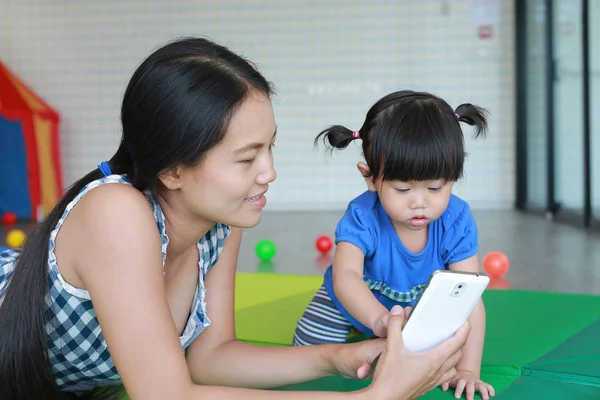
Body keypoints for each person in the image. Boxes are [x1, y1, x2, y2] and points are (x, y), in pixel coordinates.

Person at [0, 37, 471, 400]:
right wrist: (380, 395)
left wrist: (341, 357)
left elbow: (210, 359)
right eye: (247, 159)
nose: (270, 172)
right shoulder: (117, 213)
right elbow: (167, 394)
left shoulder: (219, 223)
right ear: (173, 169)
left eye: (270, 147)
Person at [292, 90, 495, 400]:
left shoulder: (456, 219)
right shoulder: (363, 216)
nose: (419, 203)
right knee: (304, 353)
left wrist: (468, 370)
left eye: (435, 187)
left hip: (417, 313)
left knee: (440, 357)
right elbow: (345, 276)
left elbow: (467, 298)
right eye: (402, 189)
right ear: (371, 178)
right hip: (347, 303)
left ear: (453, 177)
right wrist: (378, 320)